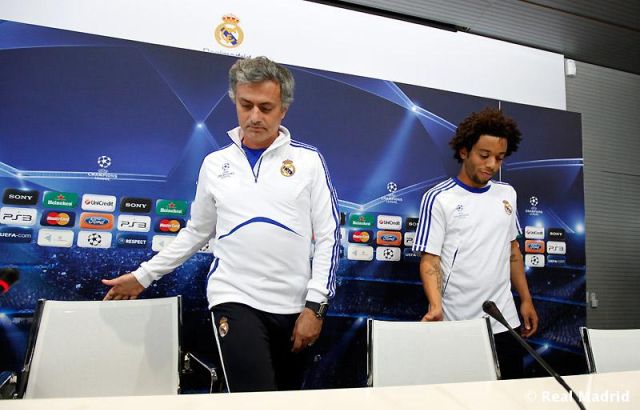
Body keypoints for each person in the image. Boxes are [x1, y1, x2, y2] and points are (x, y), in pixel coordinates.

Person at [102, 56, 340, 392]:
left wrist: (315, 307)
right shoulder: (215, 165)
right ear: (235, 102)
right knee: (252, 398)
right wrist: (144, 276)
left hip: (295, 306)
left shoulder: (309, 161)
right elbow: (197, 232)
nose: (254, 116)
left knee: (284, 400)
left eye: (265, 107)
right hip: (233, 297)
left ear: (283, 110)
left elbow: (329, 237)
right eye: (246, 105)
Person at [412, 107, 539, 379]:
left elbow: (513, 251)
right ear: (464, 152)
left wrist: (526, 300)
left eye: (499, 158)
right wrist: (435, 306)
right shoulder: (439, 198)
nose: (492, 164)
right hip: (457, 324)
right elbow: (430, 260)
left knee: (510, 396)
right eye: (484, 155)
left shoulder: (507, 194)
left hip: (505, 322)